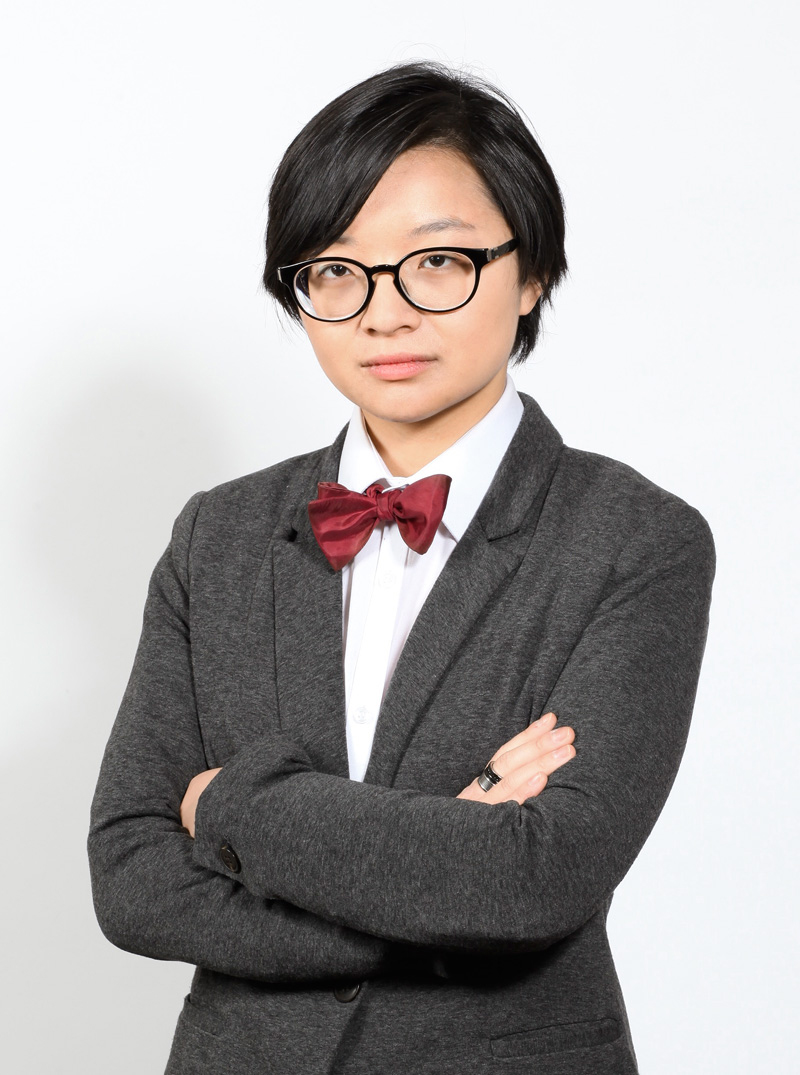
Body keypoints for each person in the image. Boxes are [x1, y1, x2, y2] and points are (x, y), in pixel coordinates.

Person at [88, 61, 715, 1075]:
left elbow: (531, 882)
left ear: (531, 270)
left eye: (436, 263)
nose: (383, 312)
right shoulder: (219, 534)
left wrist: (227, 807)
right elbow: (129, 874)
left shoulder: (635, 540)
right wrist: (436, 864)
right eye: (335, 271)